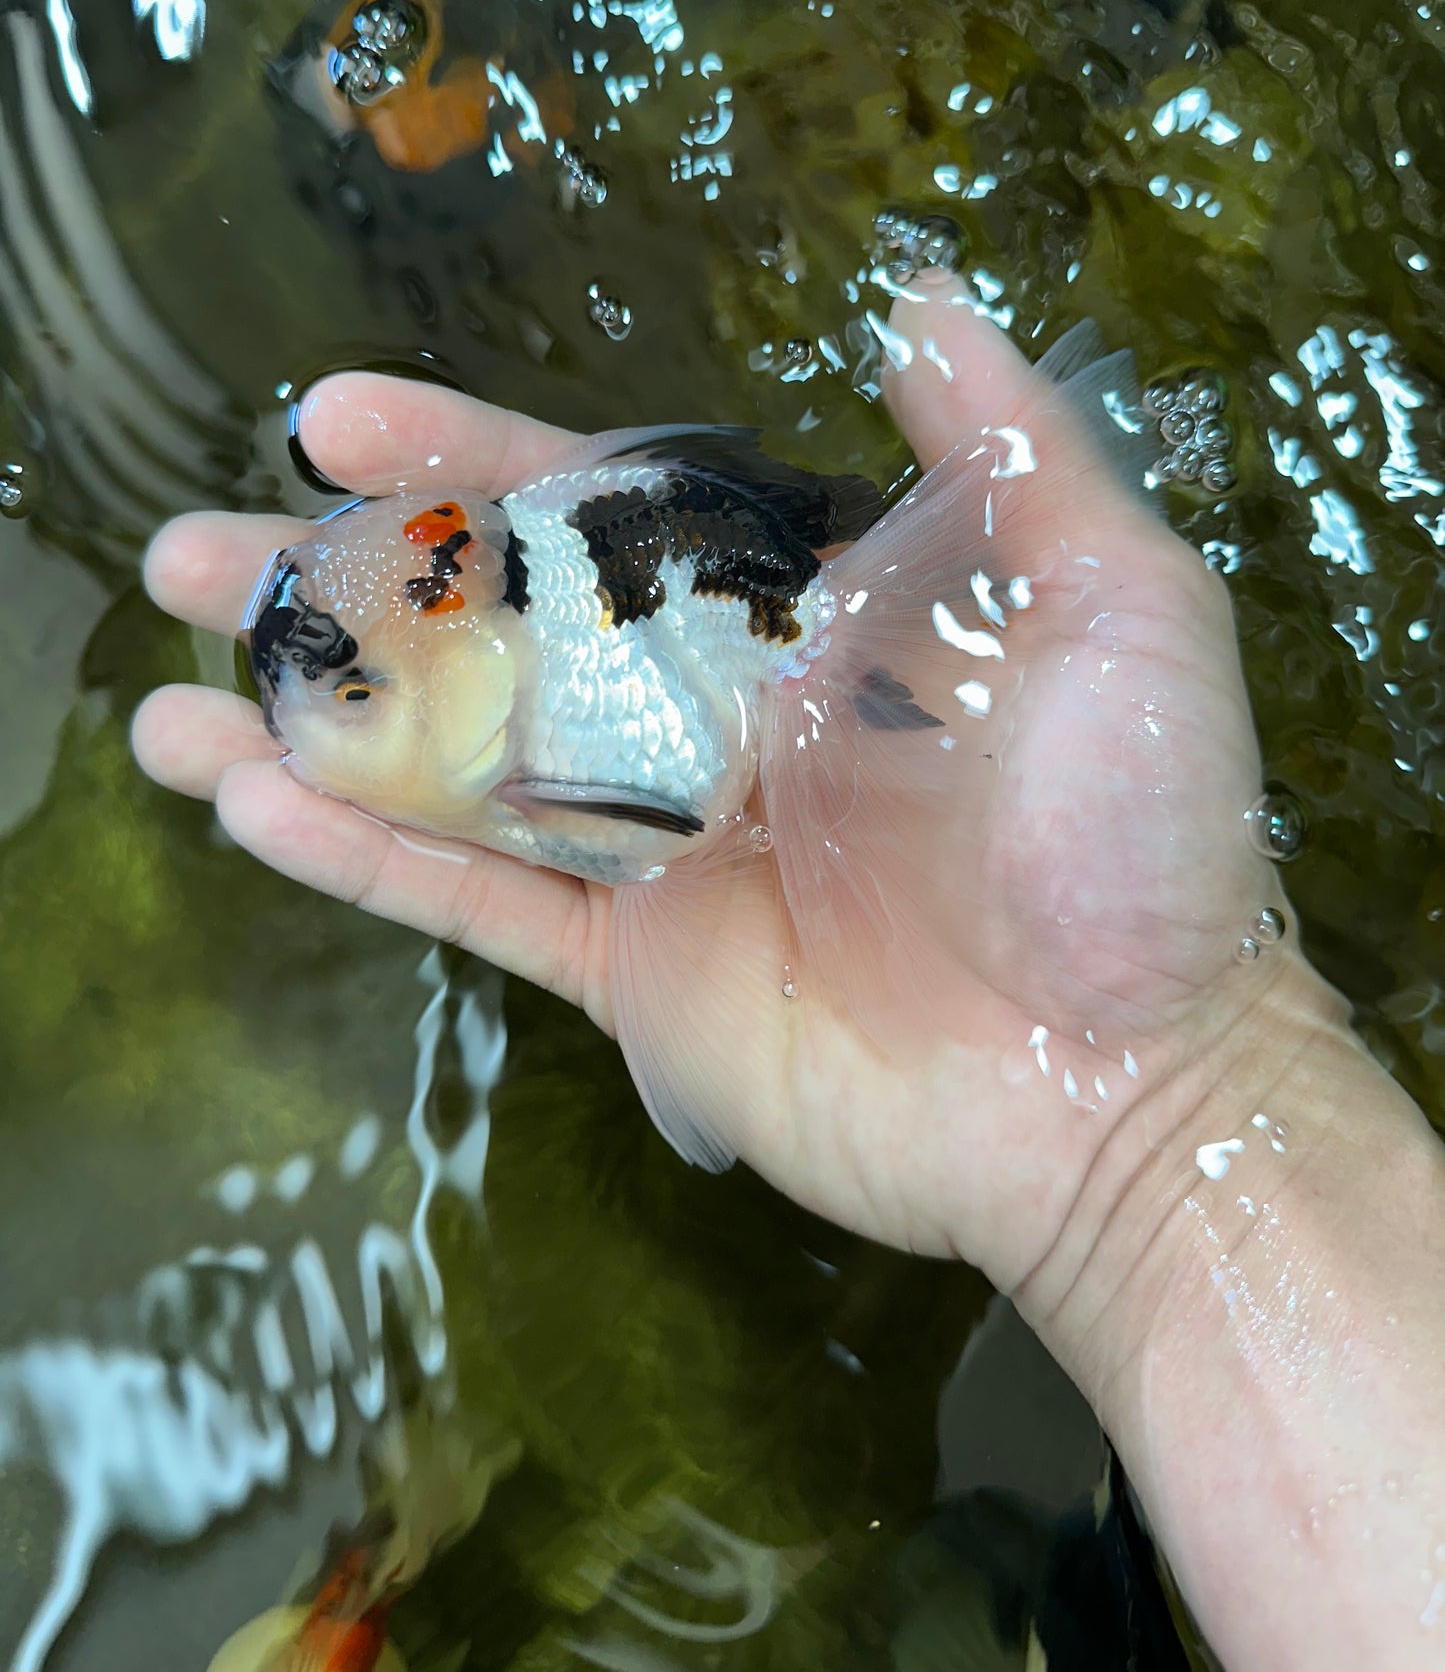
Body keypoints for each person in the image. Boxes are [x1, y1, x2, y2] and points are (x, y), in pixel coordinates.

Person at [132, 279, 1445, 1669]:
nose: (319, 733)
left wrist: (1173, 1096)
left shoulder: (555, 729)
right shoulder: (506, 631)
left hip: (734, 637)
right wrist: (1172, 1125)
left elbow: (656, 843)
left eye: (353, 702)